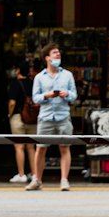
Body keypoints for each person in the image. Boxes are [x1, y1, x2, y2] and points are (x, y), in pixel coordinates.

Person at [27, 42, 78, 191]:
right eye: (55, 53)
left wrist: (67, 94)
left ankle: (64, 180)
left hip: (63, 116)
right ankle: (37, 179)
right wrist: (47, 95)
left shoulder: (67, 75)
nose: (58, 55)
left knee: (65, 148)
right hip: (45, 116)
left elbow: (74, 95)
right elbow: (35, 98)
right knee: (41, 148)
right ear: (47, 58)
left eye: (58, 53)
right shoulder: (39, 77)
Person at [7, 62, 37, 184]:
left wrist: (10, 114)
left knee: (19, 147)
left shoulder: (15, 84)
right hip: (32, 118)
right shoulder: (33, 83)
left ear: (18, 70)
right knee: (31, 147)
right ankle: (34, 174)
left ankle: (21, 174)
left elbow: (12, 103)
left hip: (18, 117)